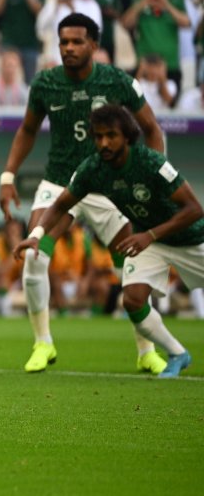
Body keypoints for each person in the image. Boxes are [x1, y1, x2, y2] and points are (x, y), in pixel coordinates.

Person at [0, 13, 168, 375]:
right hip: (60, 182)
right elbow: (27, 130)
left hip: (108, 185)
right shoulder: (45, 83)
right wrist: (7, 175)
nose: (69, 48)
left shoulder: (117, 80)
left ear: (94, 44)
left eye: (77, 41)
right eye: (64, 42)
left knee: (132, 264)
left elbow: (152, 129)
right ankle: (43, 343)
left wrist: (155, 180)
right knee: (34, 256)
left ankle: (146, 351)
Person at [15, 105, 201, 378]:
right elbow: (60, 204)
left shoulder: (151, 162)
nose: (103, 142)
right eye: (98, 136)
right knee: (134, 301)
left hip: (190, 240)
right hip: (149, 242)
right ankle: (176, 353)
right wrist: (35, 235)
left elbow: (195, 209)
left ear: (127, 136)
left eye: (111, 135)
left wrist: (149, 235)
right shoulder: (93, 168)